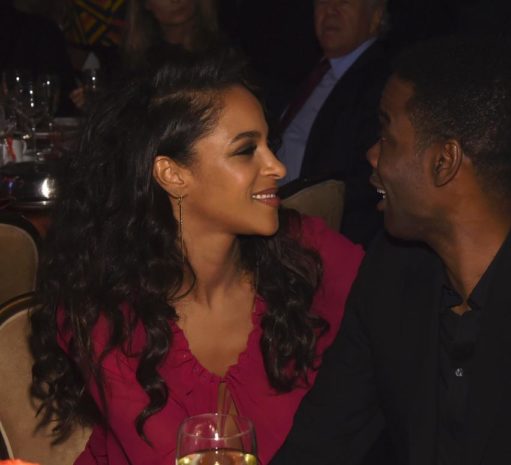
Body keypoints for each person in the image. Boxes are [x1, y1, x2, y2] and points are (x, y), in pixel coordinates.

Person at [270, 36, 511, 465]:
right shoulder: (392, 272)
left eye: (386, 135)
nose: (371, 156)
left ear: (444, 162)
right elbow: (323, 440)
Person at [30, 51, 364, 465]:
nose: (277, 166)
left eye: (269, 145)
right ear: (173, 175)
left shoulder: (308, 257)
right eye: (246, 151)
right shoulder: (107, 310)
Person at [276, 0, 390, 246]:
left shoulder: (382, 80)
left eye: (345, 2)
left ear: (376, 16)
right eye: (323, 1)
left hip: (327, 237)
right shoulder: (307, 69)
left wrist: (301, 209)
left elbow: (371, 177)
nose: (331, 10)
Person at [70, 0, 221, 110]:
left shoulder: (221, 53)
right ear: (146, 4)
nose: (176, 1)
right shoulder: (135, 61)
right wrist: (102, 104)